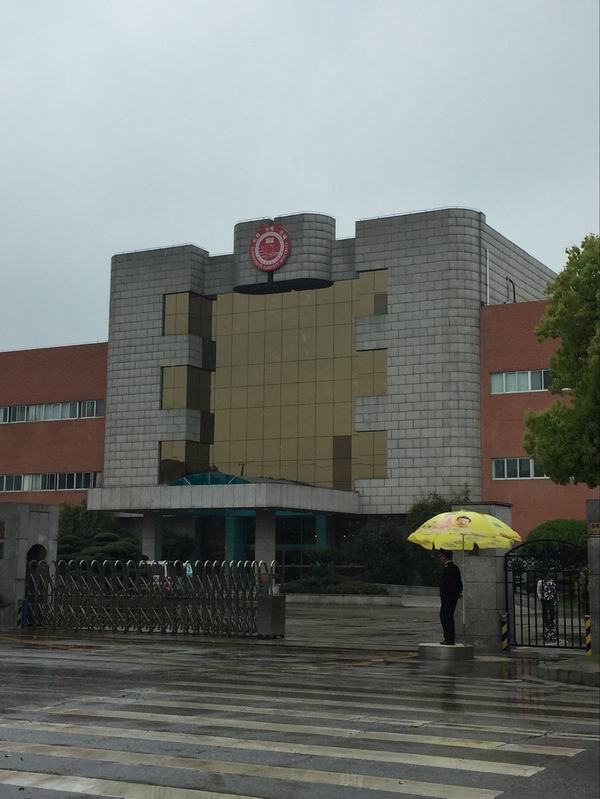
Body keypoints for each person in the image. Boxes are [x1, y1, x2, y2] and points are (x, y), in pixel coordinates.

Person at [439, 549, 463, 645]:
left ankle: (449, 639)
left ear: (444, 557)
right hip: (449, 598)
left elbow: (454, 584)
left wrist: (454, 593)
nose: (440, 559)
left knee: (447, 617)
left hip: (448, 598)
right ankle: (448, 638)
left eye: (441, 556)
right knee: (444, 616)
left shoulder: (450, 568)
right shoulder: (452, 567)